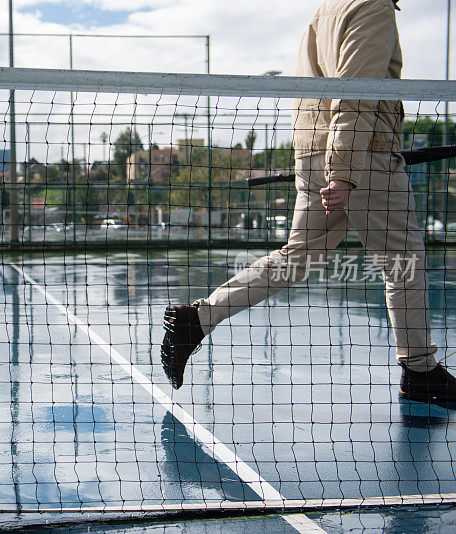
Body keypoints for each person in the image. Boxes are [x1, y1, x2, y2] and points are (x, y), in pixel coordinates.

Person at [160, 0, 456, 405]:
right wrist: (344, 173)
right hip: (362, 157)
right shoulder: (373, 8)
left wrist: (322, 163)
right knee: (404, 260)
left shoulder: (325, 12)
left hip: (316, 154)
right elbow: (358, 94)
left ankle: (198, 318)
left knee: (296, 258)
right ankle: (420, 370)